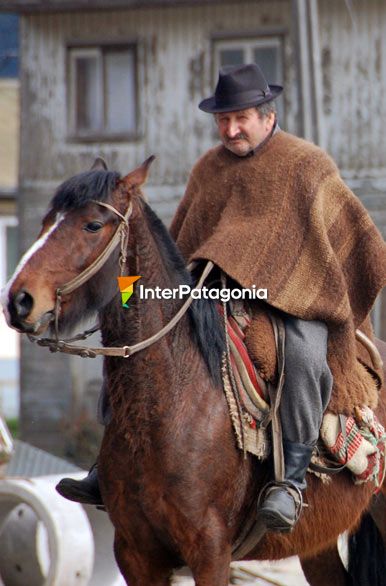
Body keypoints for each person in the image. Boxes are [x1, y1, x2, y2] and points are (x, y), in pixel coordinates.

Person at [56, 64, 386, 532]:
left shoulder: (307, 165)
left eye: (242, 118)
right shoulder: (208, 168)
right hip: (208, 294)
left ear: (267, 117)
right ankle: (106, 466)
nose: (231, 129)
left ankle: (289, 484)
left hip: (294, 300)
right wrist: (128, 299)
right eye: (223, 120)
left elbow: (359, 243)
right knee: (132, 339)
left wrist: (297, 290)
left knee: (304, 355)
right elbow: (177, 248)